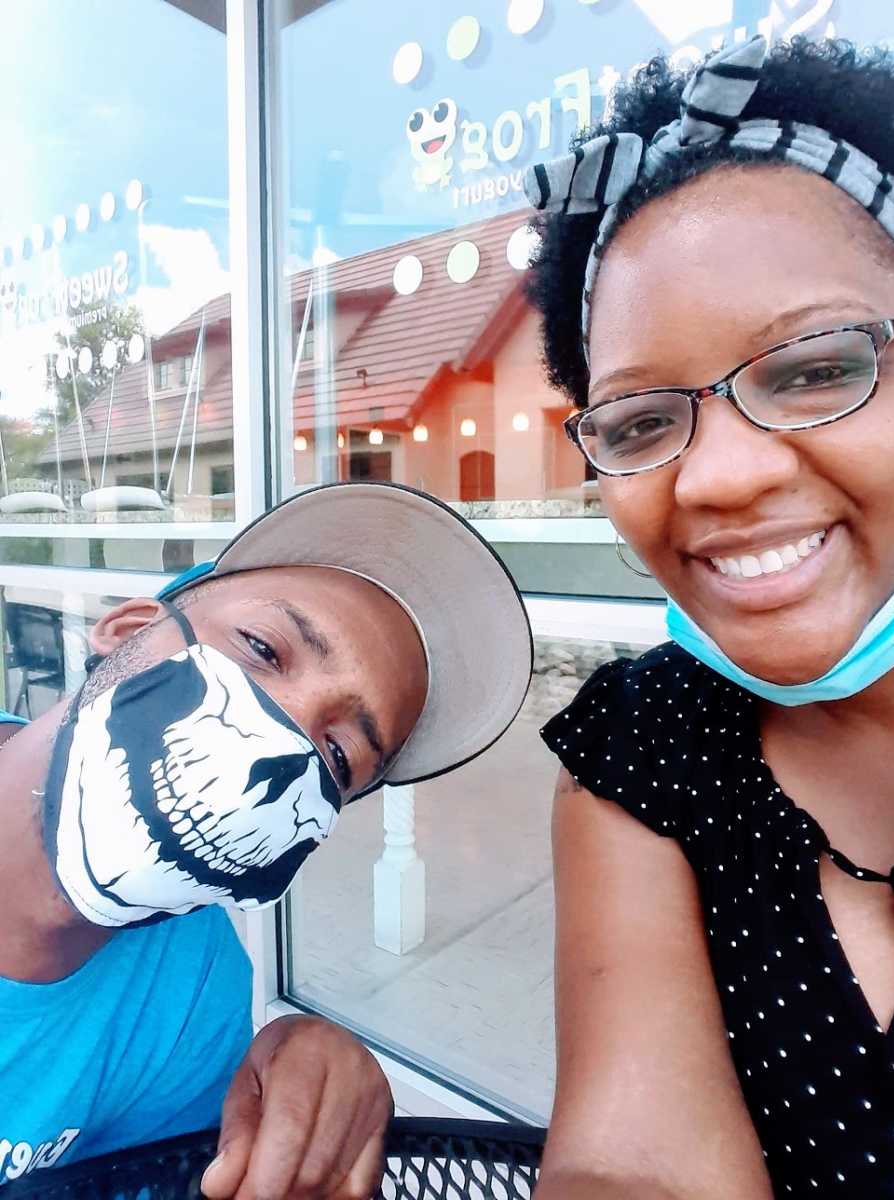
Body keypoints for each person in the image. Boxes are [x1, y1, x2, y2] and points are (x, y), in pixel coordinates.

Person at [525, 34, 894, 1200]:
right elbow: (626, 1169)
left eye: (812, 369)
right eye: (639, 424)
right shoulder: (646, 753)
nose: (720, 480)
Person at [0, 480, 532, 1198]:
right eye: (261, 649)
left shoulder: (192, 988)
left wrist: (311, 1075)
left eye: (339, 757)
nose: (277, 741)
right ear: (127, 632)